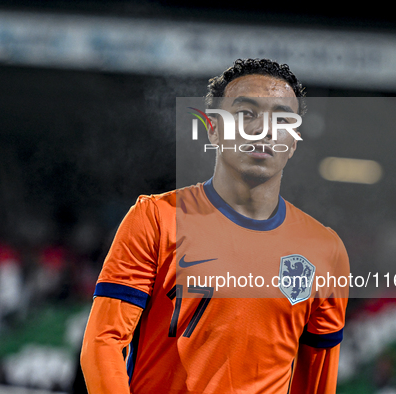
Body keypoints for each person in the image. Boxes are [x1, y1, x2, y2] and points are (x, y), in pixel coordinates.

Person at [80, 58, 349, 393]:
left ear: (293, 141)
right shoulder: (155, 219)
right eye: (246, 113)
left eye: (281, 119)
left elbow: (318, 384)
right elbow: (103, 342)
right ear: (213, 128)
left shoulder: (326, 251)